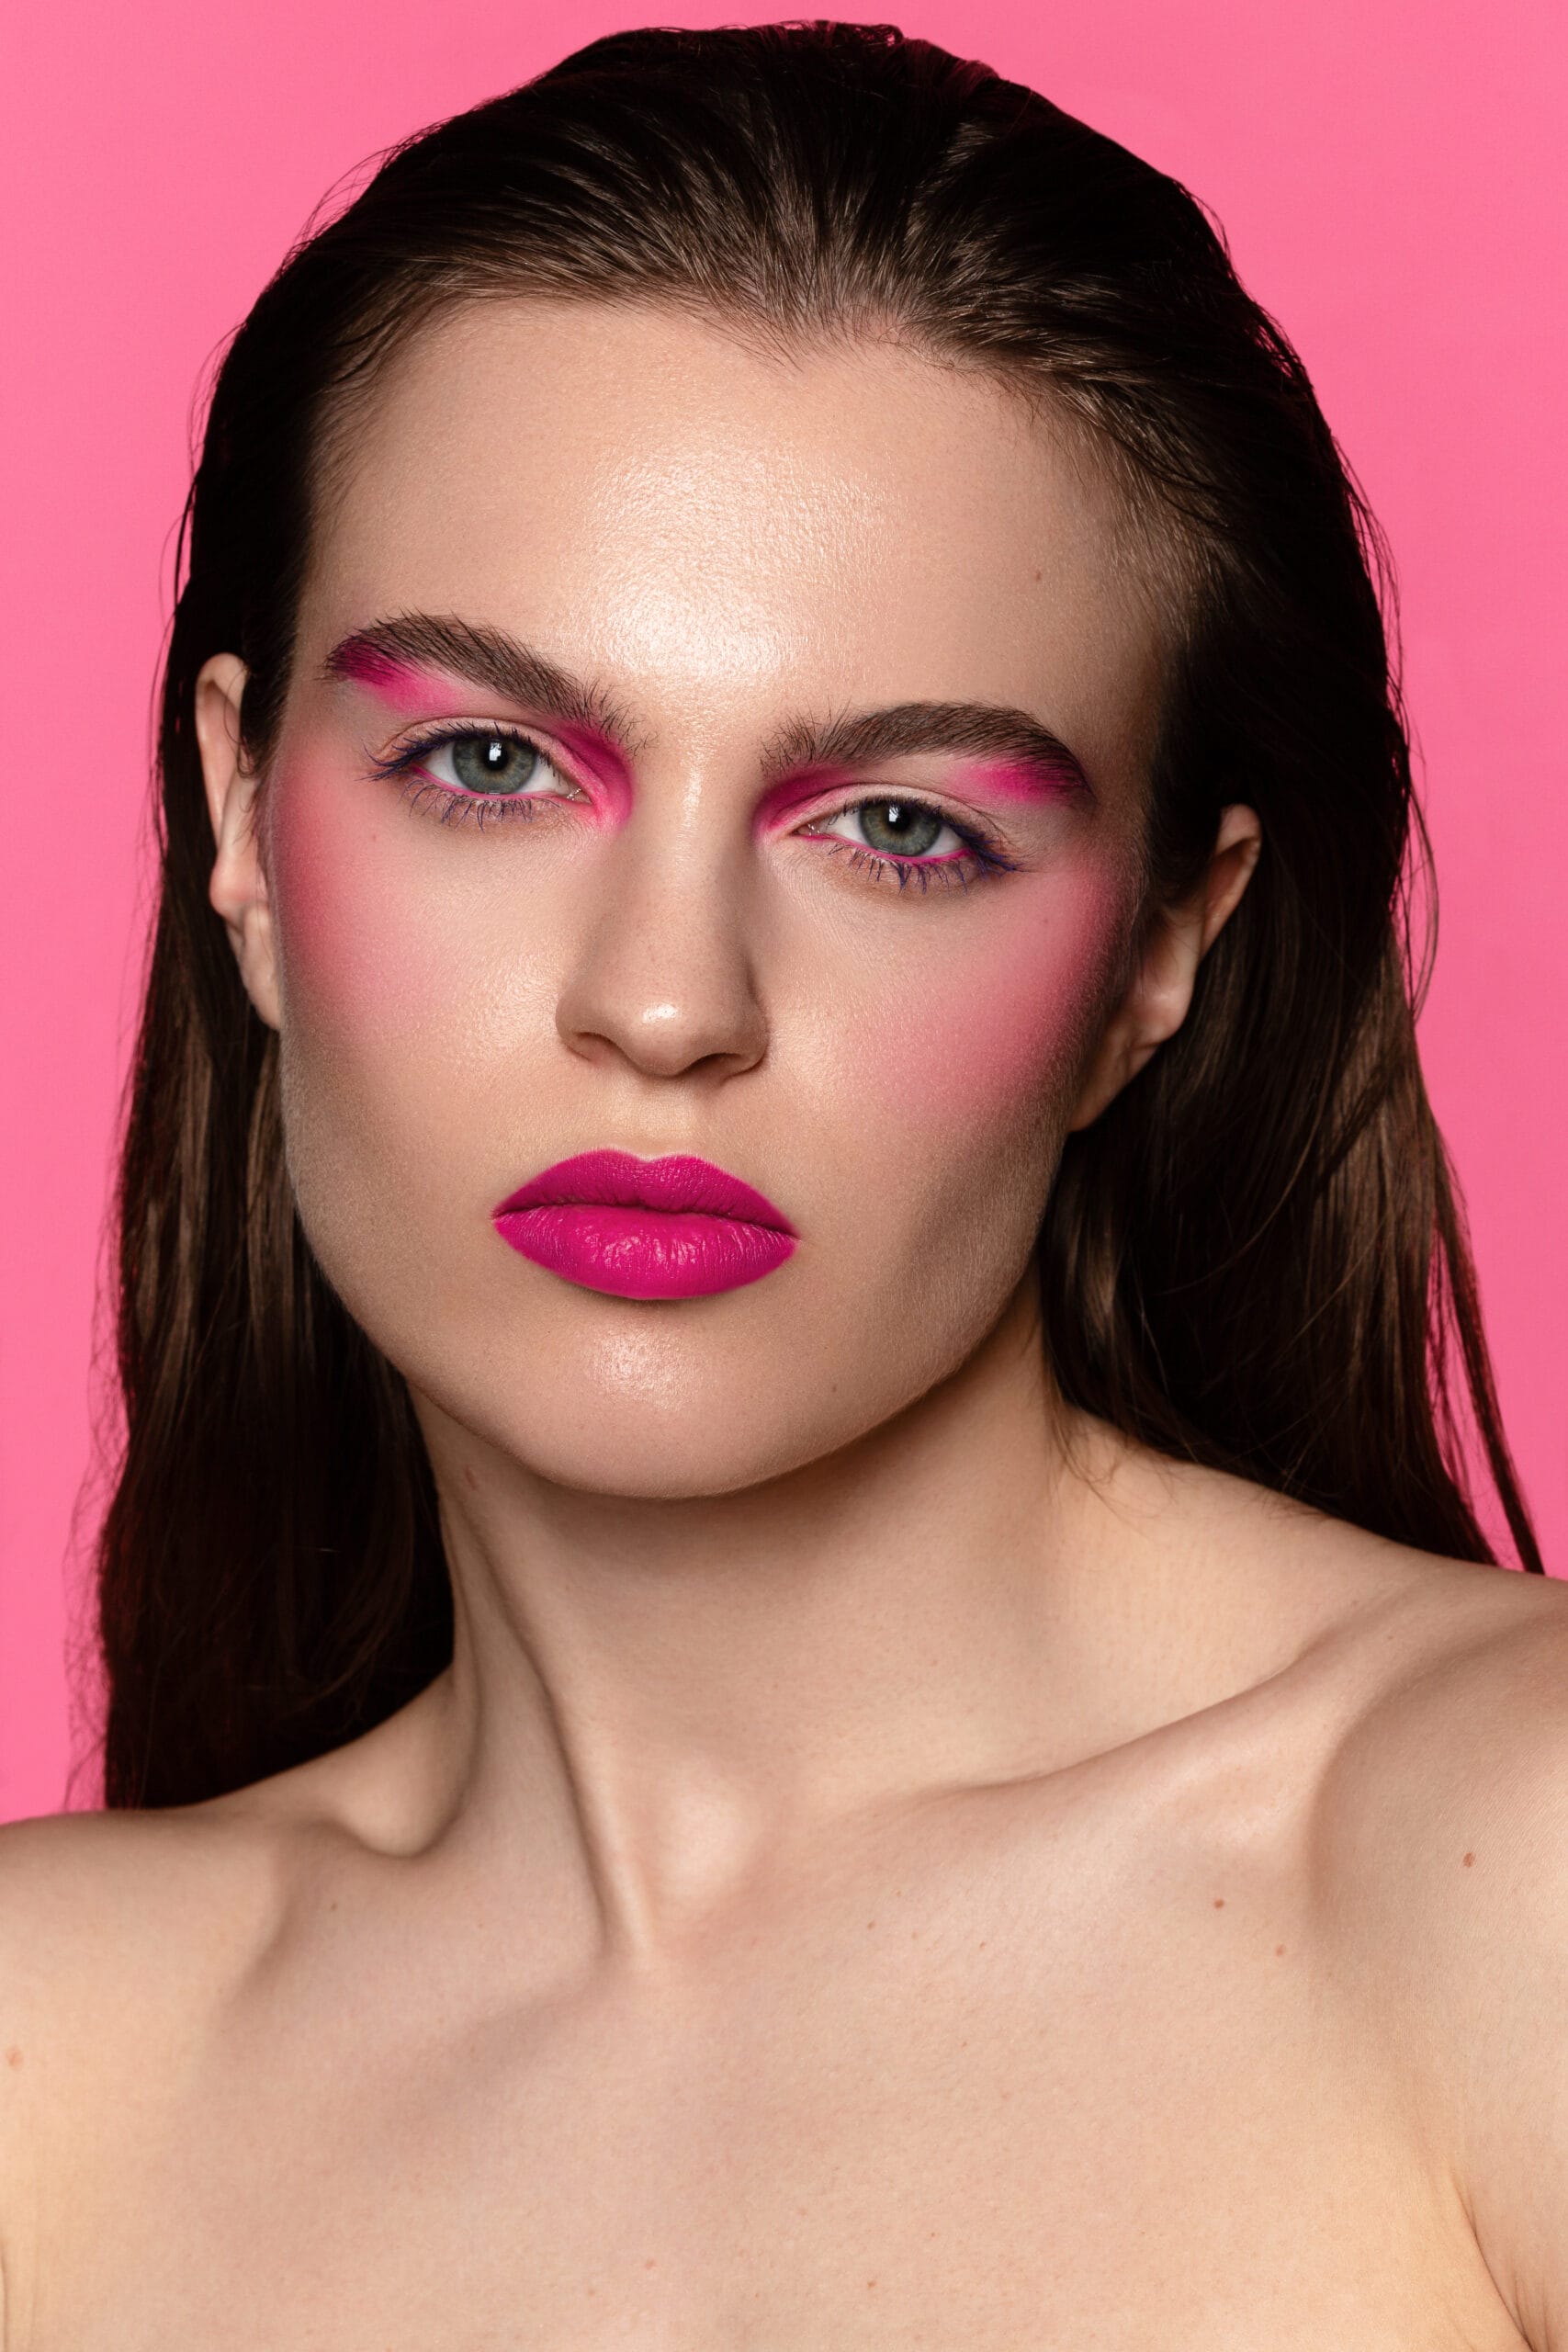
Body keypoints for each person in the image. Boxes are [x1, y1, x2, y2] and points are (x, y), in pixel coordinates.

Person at [1, 21, 1562, 2345]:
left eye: (899, 826)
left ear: (1158, 947)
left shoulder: (1507, 1882)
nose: (664, 1003)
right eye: (489, 764)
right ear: (237, 818)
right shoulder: (51, 2068)